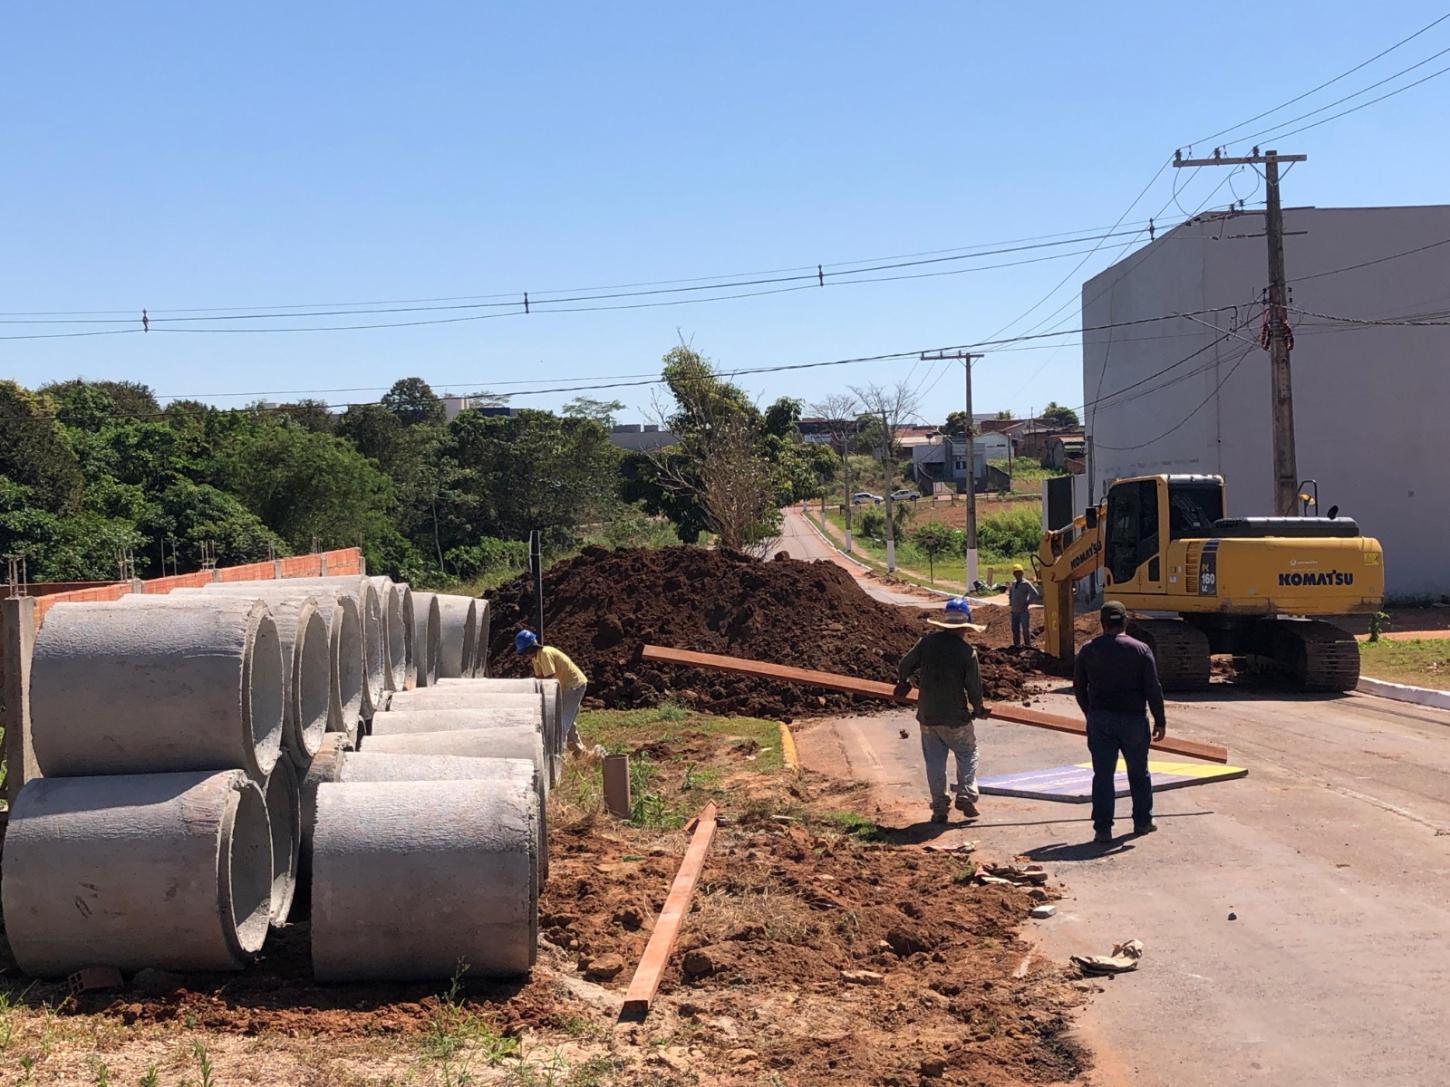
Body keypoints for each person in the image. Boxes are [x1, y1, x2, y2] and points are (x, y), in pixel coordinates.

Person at [1072, 602, 1167, 844]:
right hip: (1134, 719)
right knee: (1139, 772)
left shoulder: (1088, 650)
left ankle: (1103, 829)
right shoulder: (1141, 649)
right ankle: (1142, 821)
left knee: (1103, 775)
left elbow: (1079, 687)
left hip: (1101, 719)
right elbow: (1153, 687)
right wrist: (1160, 719)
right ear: (1125, 621)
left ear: (1102, 623)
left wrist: (1090, 713)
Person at [894, 597, 991, 824]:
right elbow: (974, 688)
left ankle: (939, 808)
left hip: (928, 716)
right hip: (955, 717)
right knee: (967, 753)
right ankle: (966, 794)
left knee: (935, 762)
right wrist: (979, 709)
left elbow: (903, 665)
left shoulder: (927, 643)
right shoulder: (967, 652)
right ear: (966, 625)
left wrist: (903, 681)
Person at [514, 629, 589, 754]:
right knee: (566, 718)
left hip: (574, 686)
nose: (525, 656)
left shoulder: (544, 653)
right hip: (565, 687)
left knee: (561, 721)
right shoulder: (535, 658)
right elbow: (540, 679)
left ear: (529, 649)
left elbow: (549, 677)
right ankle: (580, 751)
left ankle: (557, 753)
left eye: (525, 652)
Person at [1008, 564, 1042, 648]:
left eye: (1019, 573)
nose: (1017, 575)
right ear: (1013, 574)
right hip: (1014, 611)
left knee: (1025, 629)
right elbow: (1011, 593)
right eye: (1016, 573)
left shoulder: (1026, 583)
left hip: (1023, 611)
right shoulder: (1013, 583)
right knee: (1015, 629)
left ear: (1022, 573)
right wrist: (1011, 601)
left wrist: (1027, 602)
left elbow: (1035, 594)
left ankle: (1028, 645)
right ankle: (1017, 645)